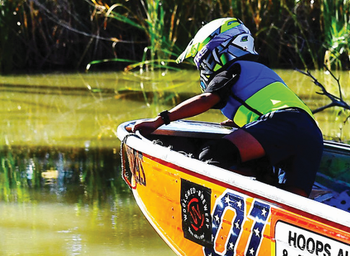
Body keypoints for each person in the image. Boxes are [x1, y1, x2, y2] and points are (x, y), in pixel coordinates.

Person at [126, 17, 324, 197]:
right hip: (312, 135)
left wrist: (159, 121)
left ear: (219, 51)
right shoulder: (263, 71)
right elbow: (267, 103)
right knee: (293, 201)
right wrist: (244, 123)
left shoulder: (232, 69)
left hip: (283, 123)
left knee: (212, 155)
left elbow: (206, 100)